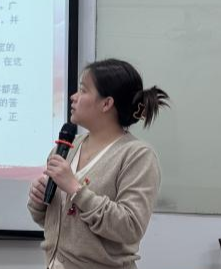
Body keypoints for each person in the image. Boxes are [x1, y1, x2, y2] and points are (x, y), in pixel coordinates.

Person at [27, 59, 170, 269]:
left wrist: (76, 189)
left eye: (83, 90)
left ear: (106, 104)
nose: (73, 97)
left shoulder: (137, 155)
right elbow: (56, 224)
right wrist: (39, 202)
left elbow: (130, 228)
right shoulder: (68, 147)